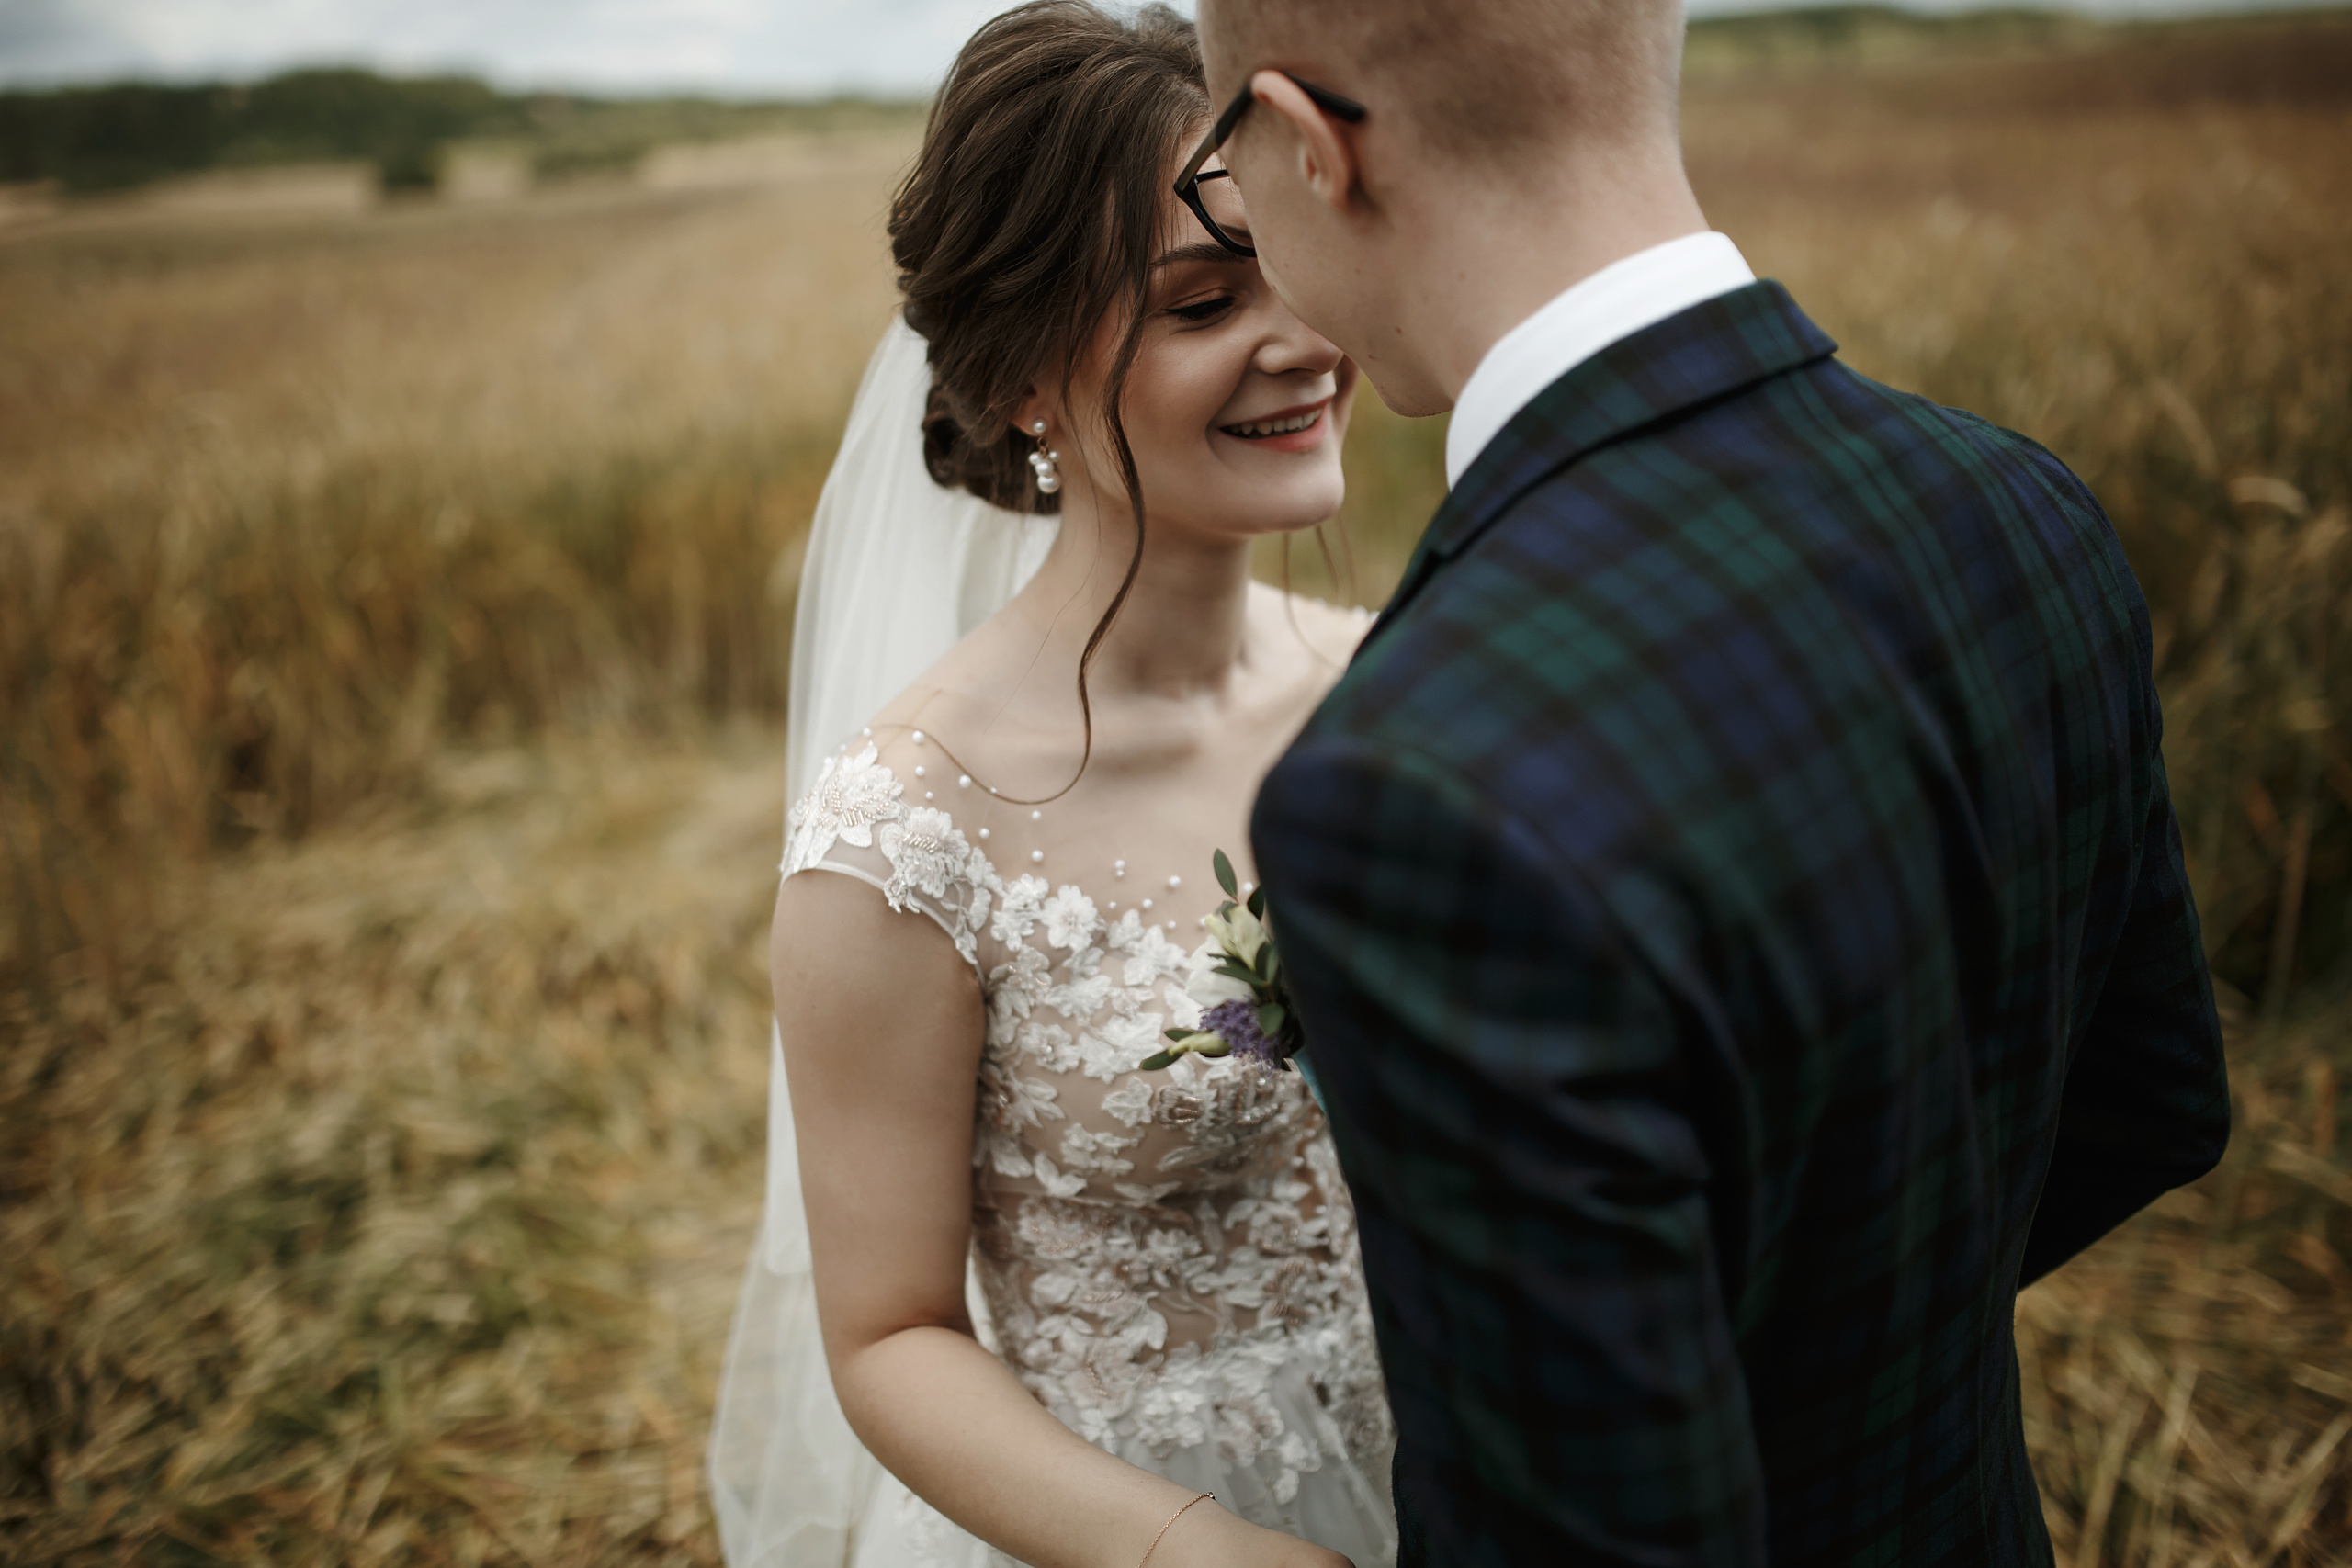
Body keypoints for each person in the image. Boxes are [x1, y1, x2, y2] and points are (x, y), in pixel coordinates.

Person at [1196, 0, 2234, 1563]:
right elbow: (2157, 1108)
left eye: (1226, 167)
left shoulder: (1420, 784)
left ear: (1304, 141)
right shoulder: (2023, 510)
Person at [708, 5, 1395, 1566]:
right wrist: (1192, 1552)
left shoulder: (1390, 679)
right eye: (1207, 299)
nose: (1300, 341)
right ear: (1025, 381)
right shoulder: (905, 843)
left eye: (1303, 265)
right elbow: (887, 1338)